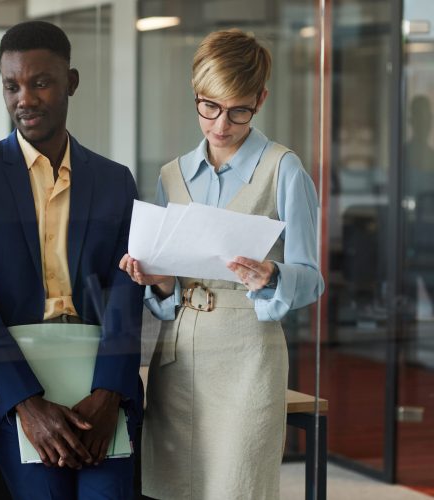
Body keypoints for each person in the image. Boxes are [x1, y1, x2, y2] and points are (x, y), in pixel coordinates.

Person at [0, 21, 143, 500]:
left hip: (98, 377)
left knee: (109, 496)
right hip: (12, 381)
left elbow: (125, 294)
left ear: (71, 82)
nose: (24, 99)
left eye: (40, 82)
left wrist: (108, 394)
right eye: (11, 86)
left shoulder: (115, 182)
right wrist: (27, 406)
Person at [120, 29, 324, 499]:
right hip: (179, 357)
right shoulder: (171, 176)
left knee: (239, 487)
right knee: (170, 486)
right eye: (208, 106)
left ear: (261, 100)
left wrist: (272, 274)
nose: (220, 125)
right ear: (196, 96)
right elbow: (165, 289)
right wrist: (161, 283)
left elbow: (311, 280)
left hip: (247, 358)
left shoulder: (283, 169)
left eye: (238, 111)